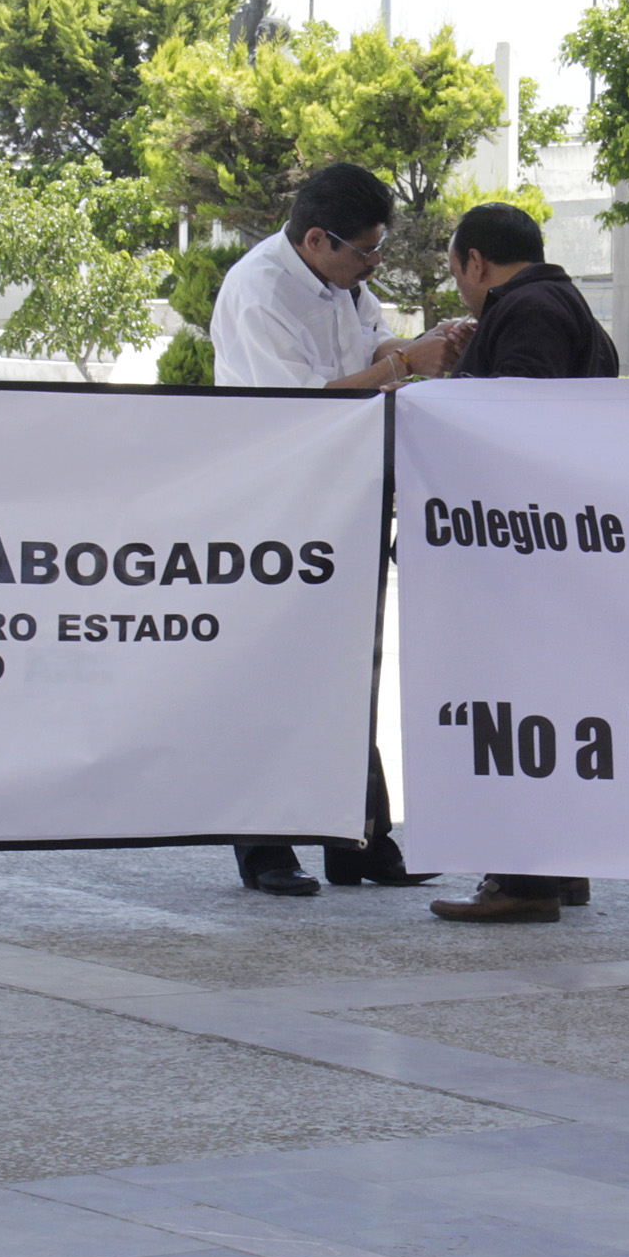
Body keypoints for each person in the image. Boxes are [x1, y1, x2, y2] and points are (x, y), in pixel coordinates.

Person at [209, 162, 454, 896]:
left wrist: (424, 345)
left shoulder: (346, 282)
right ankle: (265, 849)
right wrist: (406, 361)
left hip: (344, 495)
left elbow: (373, 353)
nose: (373, 265)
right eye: (365, 252)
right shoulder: (259, 292)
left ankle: (361, 843)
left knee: (353, 668)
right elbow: (301, 405)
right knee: (267, 673)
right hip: (273, 505)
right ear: (317, 238)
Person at [426, 202, 617, 925]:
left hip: (515, 554)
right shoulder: (569, 306)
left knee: (511, 710)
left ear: (476, 262)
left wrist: (441, 395)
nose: (462, 290)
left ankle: (521, 877)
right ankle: (558, 866)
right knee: (550, 708)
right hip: (557, 553)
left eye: (458, 273)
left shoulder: (529, 310)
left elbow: (513, 416)